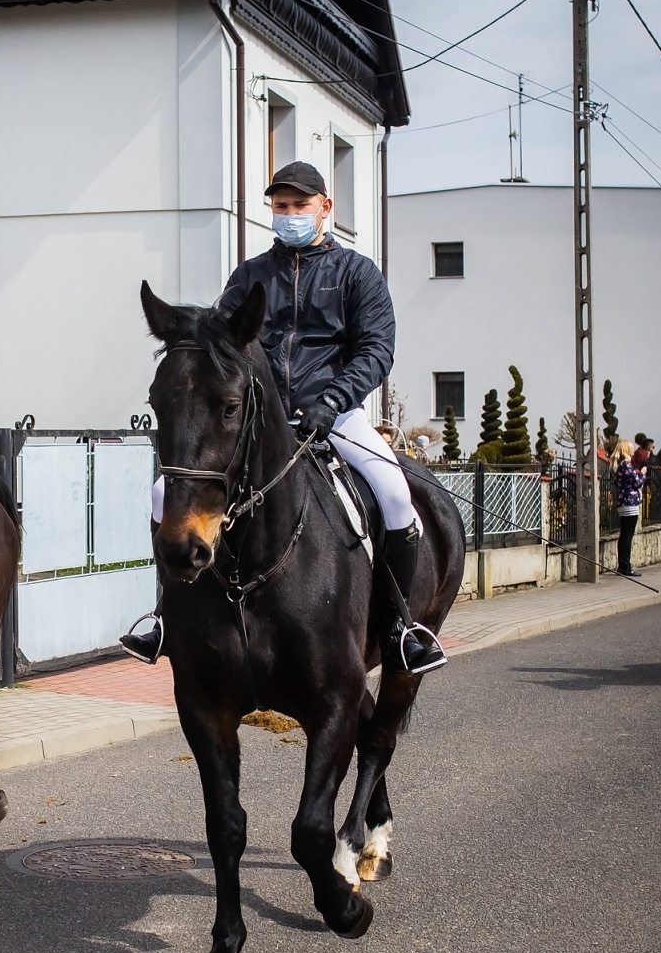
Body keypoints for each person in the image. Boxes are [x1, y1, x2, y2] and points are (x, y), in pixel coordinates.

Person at [121, 161, 445, 675]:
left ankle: (401, 627)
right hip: (260, 421)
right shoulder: (250, 275)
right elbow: (221, 346)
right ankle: (166, 616)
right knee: (165, 494)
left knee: (395, 493)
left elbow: (377, 350)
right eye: (281, 206)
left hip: (335, 415)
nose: (290, 215)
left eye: (300, 206)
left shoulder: (357, 273)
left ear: (325, 209)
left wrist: (333, 400)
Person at [612, 439, 644, 576]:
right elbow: (637, 483)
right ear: (626, 450)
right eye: (630, 448)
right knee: (627, 535)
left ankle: (622, 565)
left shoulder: (617, 465)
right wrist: (642, 473)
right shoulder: (626, 465)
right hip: (630, 502)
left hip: (622, 501)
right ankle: (625, 566)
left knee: (624, 534)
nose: (632, 451)